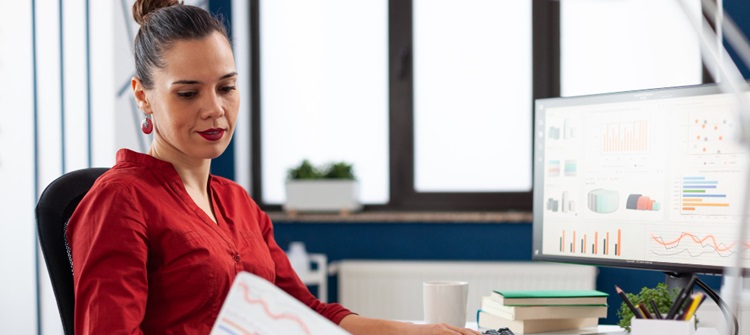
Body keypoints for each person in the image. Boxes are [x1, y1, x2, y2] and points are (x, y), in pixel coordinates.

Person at [66, 1, 481, 334]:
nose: (215, 110)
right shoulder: (120, 200)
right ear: (143, 96)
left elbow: (303, 311)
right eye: (189, 93)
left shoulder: (237, 202)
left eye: (226, 87)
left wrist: (413, 331)